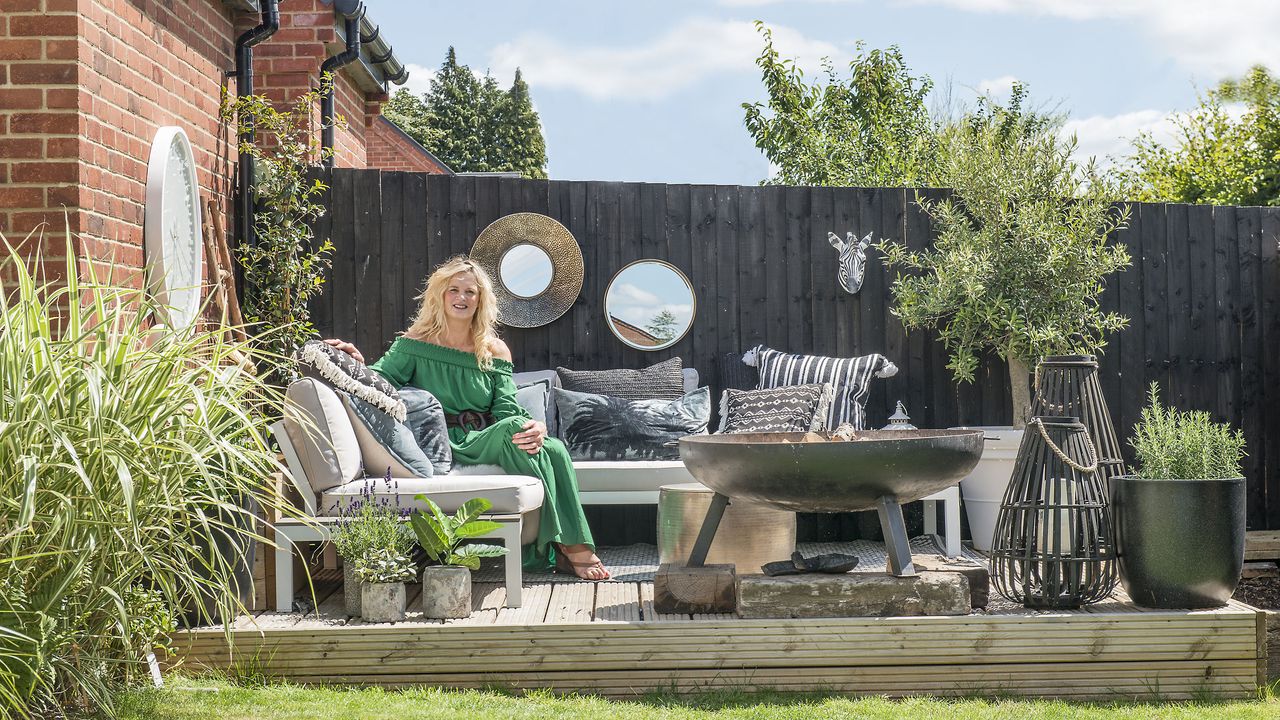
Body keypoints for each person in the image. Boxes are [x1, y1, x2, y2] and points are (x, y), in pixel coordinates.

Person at [325, 256, 609, 580]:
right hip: (440, 441)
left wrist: (538, 425)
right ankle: (572, 548)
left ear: (480, 300)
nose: (462, 298)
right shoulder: (414, 344)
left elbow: (506, 410)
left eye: (470, 292)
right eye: (454, 290)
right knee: (538, 444)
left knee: (553, 447)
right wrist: (358, 361)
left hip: (483, 437)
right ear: (440, 296)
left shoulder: (495, 350)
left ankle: (560, 547)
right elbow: (378, 385)